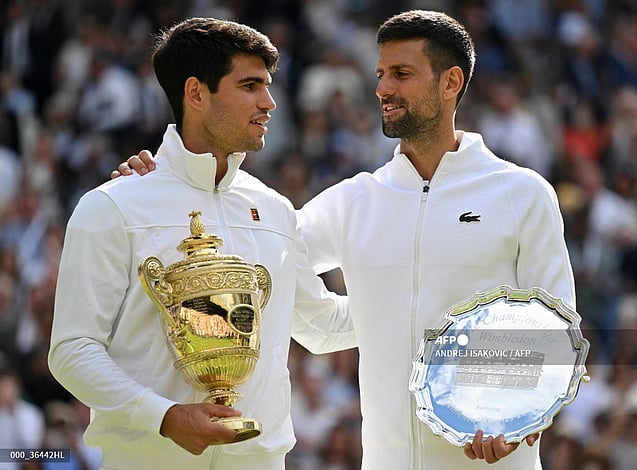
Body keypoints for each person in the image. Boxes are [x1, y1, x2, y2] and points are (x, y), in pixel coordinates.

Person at [116, 10, 575, 469]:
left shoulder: (522, 194)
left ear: (450, 82)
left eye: (401, 74)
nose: (382, 89)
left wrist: (517, 420)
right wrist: (166, 185)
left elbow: (557, 330)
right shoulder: (354, 200)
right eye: (380, 74)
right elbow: (250, 246)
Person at [48, 17, 353, 470]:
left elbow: (321, 325)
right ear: (195, 93)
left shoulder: (275, 210)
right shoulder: (112, 207)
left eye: (267, 86)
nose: (268, 103)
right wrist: (164, 417)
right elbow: (72, 351)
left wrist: (428, 299)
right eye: (249, 85)